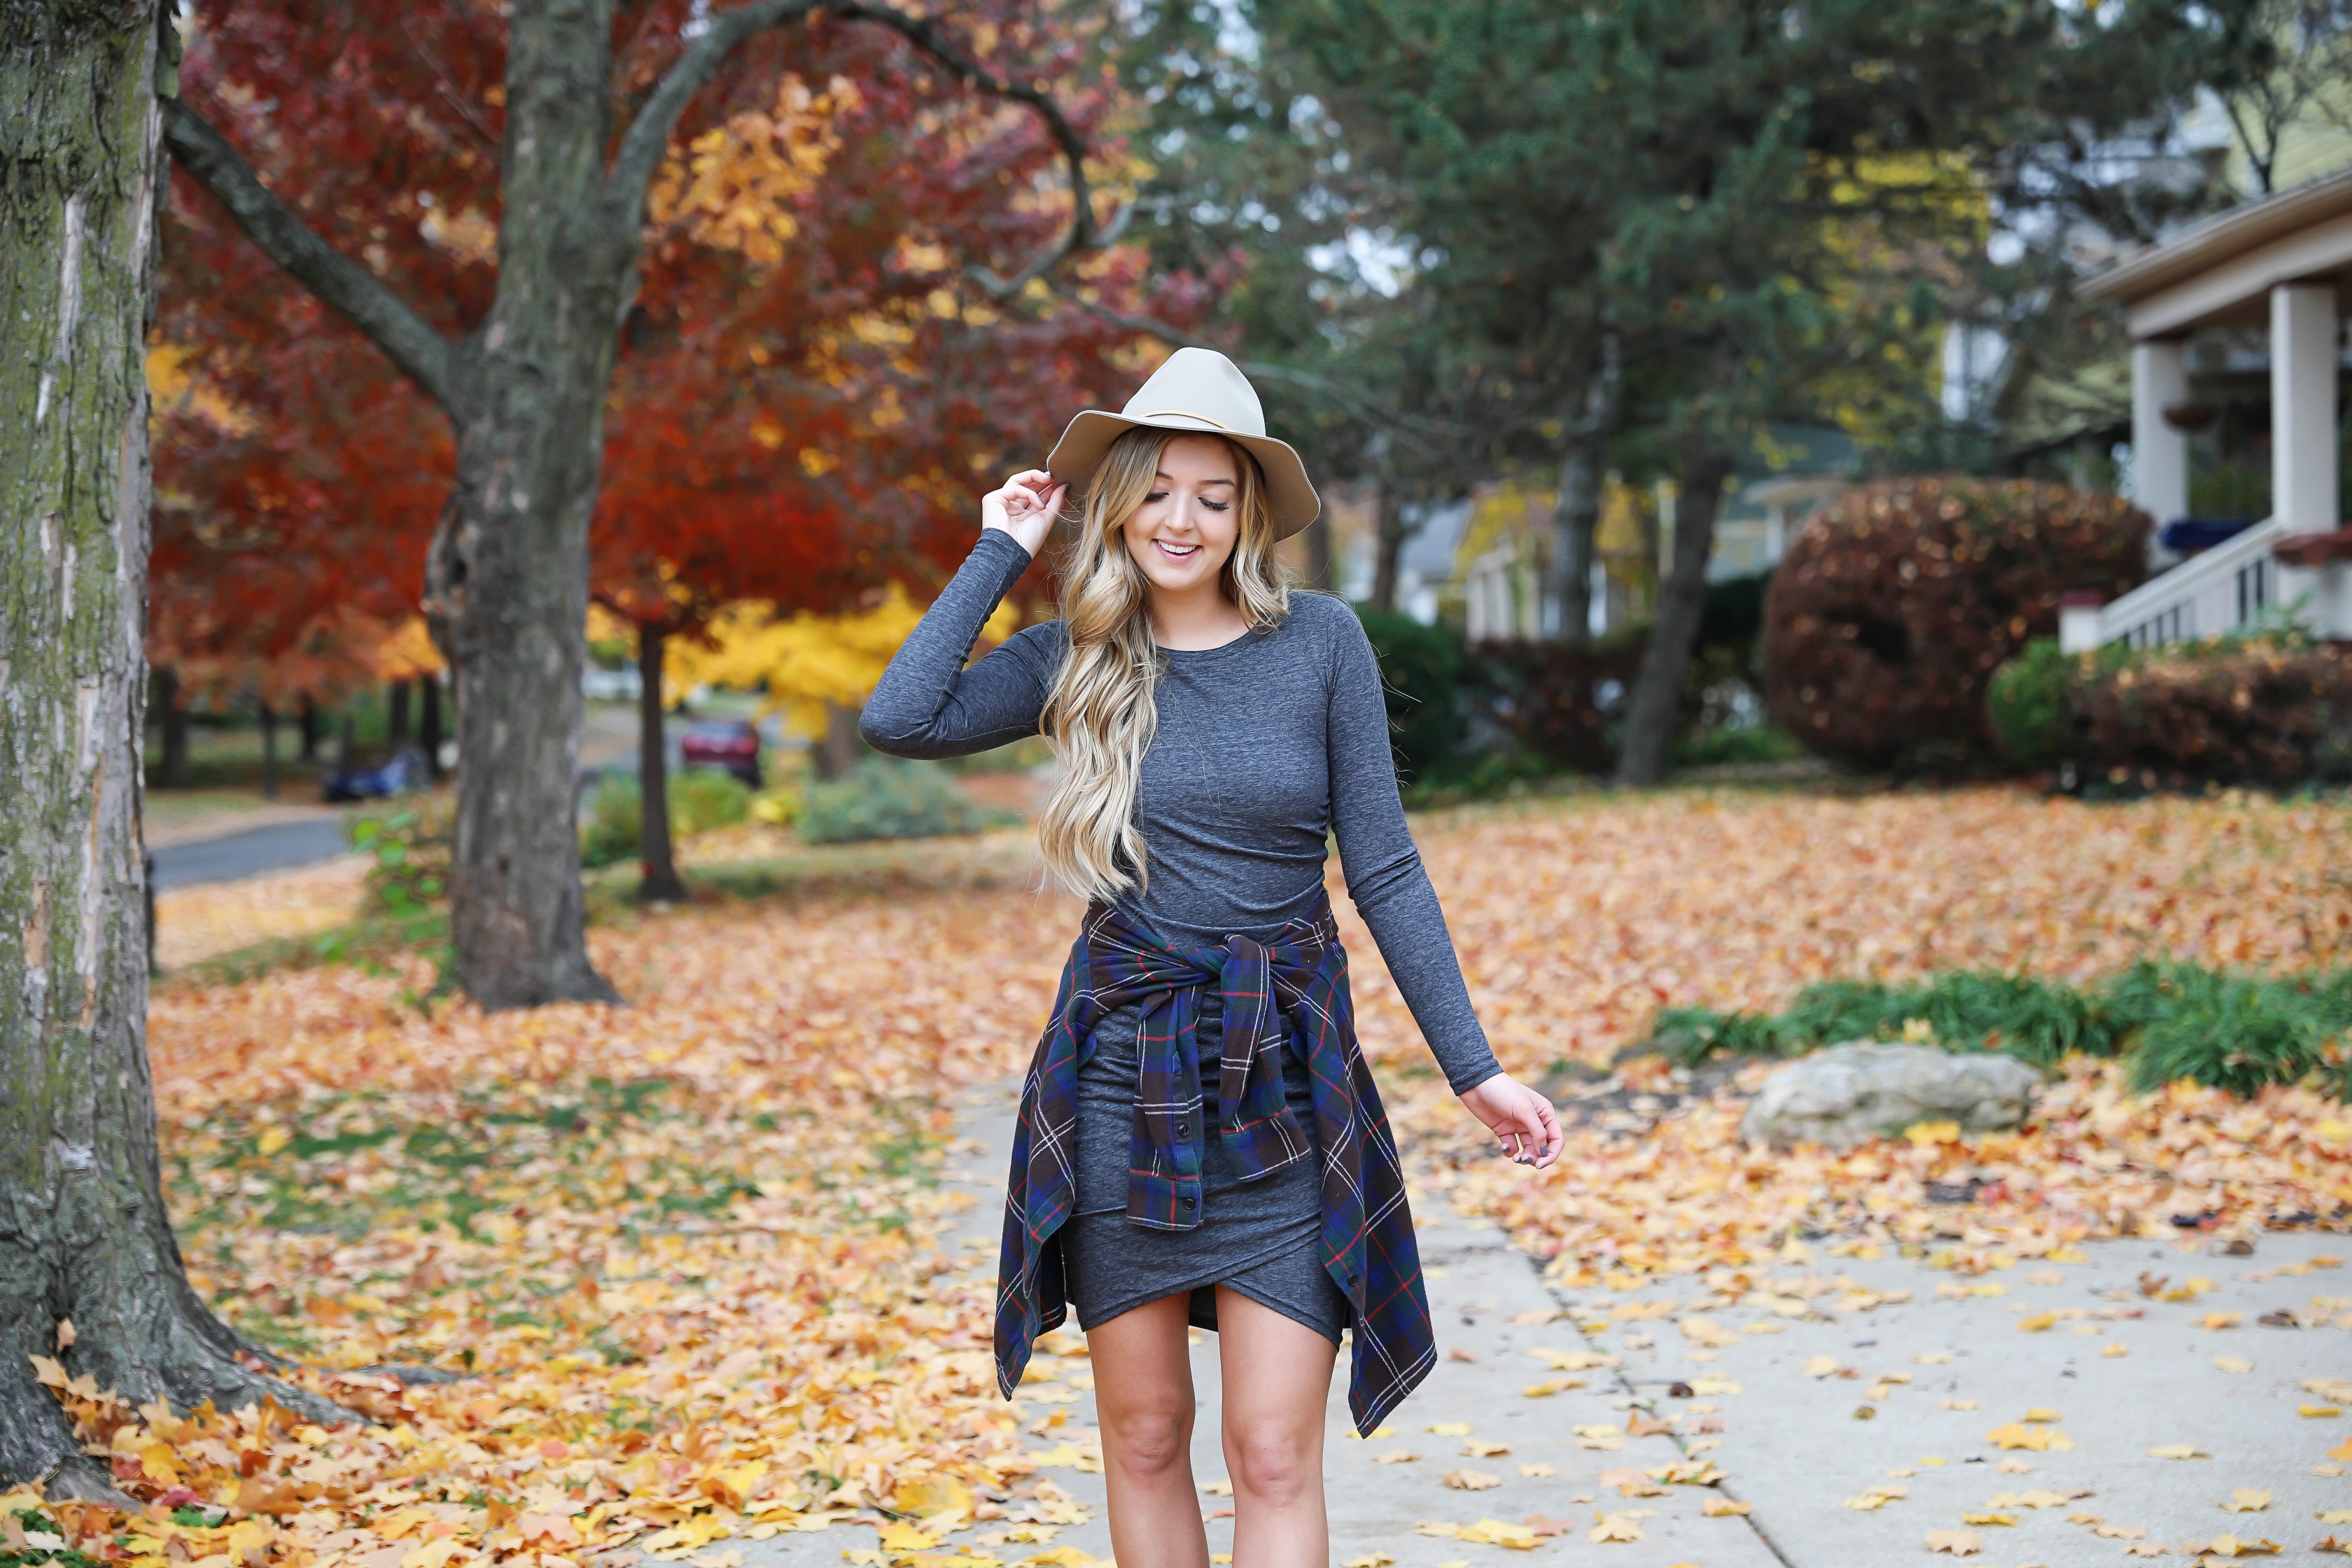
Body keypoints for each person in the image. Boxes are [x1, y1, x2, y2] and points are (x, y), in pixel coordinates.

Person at [861, 348, 1561, 1568]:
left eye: (1214, 495)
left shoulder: (1322, 644)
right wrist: (1001, 550)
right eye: (1160, 487)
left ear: (1248, 517)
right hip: (1124, 1079)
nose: (1182, 519)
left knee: (1274, 1450)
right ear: (1119, 495)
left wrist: (1474, 1068)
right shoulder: (1071, 655)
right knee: (1141, 1434)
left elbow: (1383, 866)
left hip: (1286, 1075)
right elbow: (900, 717)